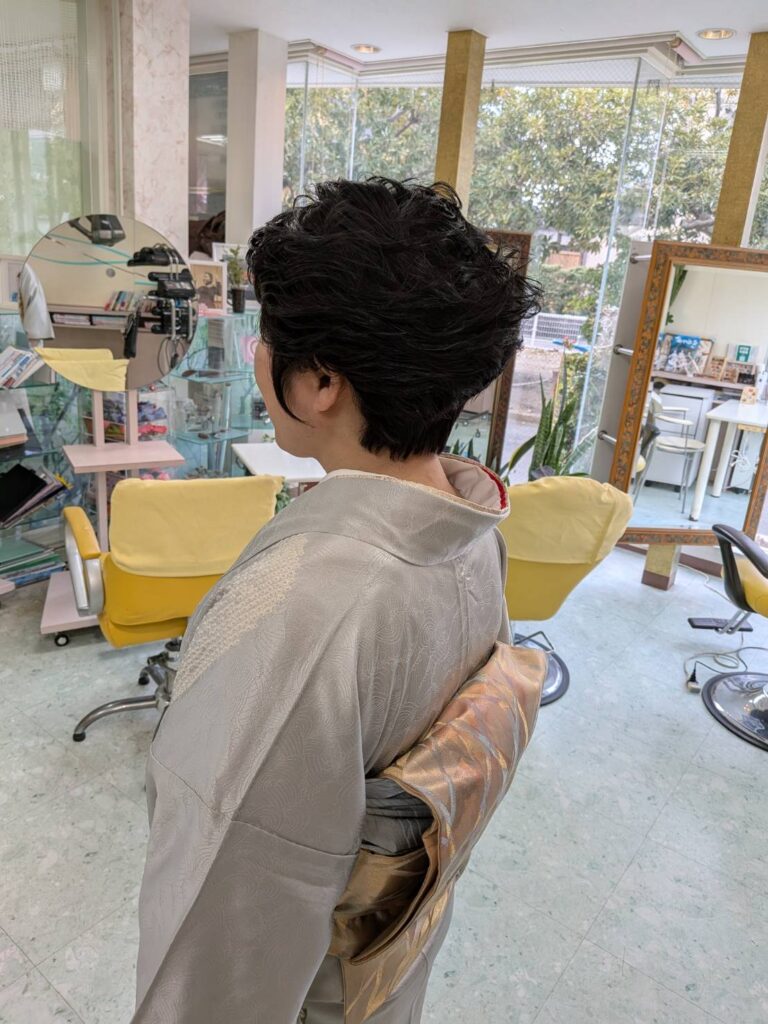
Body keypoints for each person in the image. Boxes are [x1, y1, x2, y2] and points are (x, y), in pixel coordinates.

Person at [132, 177, 542, 1023]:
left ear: (321, 380)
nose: (258, 356)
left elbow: (225, 917)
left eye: (268, 337)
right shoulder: (475, 531)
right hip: (389, 979)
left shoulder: (304, 612)